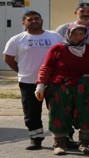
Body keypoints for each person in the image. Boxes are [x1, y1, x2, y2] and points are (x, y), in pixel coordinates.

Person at [35, 23, 89, 155]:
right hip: (61, 88)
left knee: (87, 114)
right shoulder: (57, 49)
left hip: (85, 89)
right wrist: (40, 84)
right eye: (74, 34)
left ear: (85, 35)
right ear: (68, 34)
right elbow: (47, 68)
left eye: (81, 34)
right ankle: (59, 145)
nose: (78, 37)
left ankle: (84, 144)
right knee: (59, 114)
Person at [3, 11, 62, 150]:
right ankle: (36, 139)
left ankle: (62, 139)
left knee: (59, 111)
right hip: (28, 82)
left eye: (37, 18)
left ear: (42, 20)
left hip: (53, 81)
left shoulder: (55, 36)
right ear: (24, 22)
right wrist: (21, 71)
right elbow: (8, 58)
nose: (34, 21)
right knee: (31, 112)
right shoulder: (17, 39)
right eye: (30, 19)